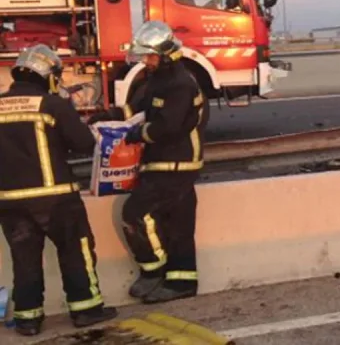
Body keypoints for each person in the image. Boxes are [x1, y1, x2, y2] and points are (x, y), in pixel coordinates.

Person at [88, 20, 208, 304]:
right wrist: (112, 115)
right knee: (177, 225)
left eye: (150, 55)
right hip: (163, 163)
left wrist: (135, 133)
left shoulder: (181, 84)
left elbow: (168, 127)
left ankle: (155, 270)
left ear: (166, 54)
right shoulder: (159, 80)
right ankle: (180, 282)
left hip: (176, 163)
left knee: (134, 213)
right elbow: (140, 107)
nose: (146, 60)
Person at [0, 44, 117, 336]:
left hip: (10, 203)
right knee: (75, 251)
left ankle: (28, 319)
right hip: (56, 199)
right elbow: (83, 144)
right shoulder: (53, 105)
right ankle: (86, 309)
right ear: (47, 75)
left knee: (25, 259)